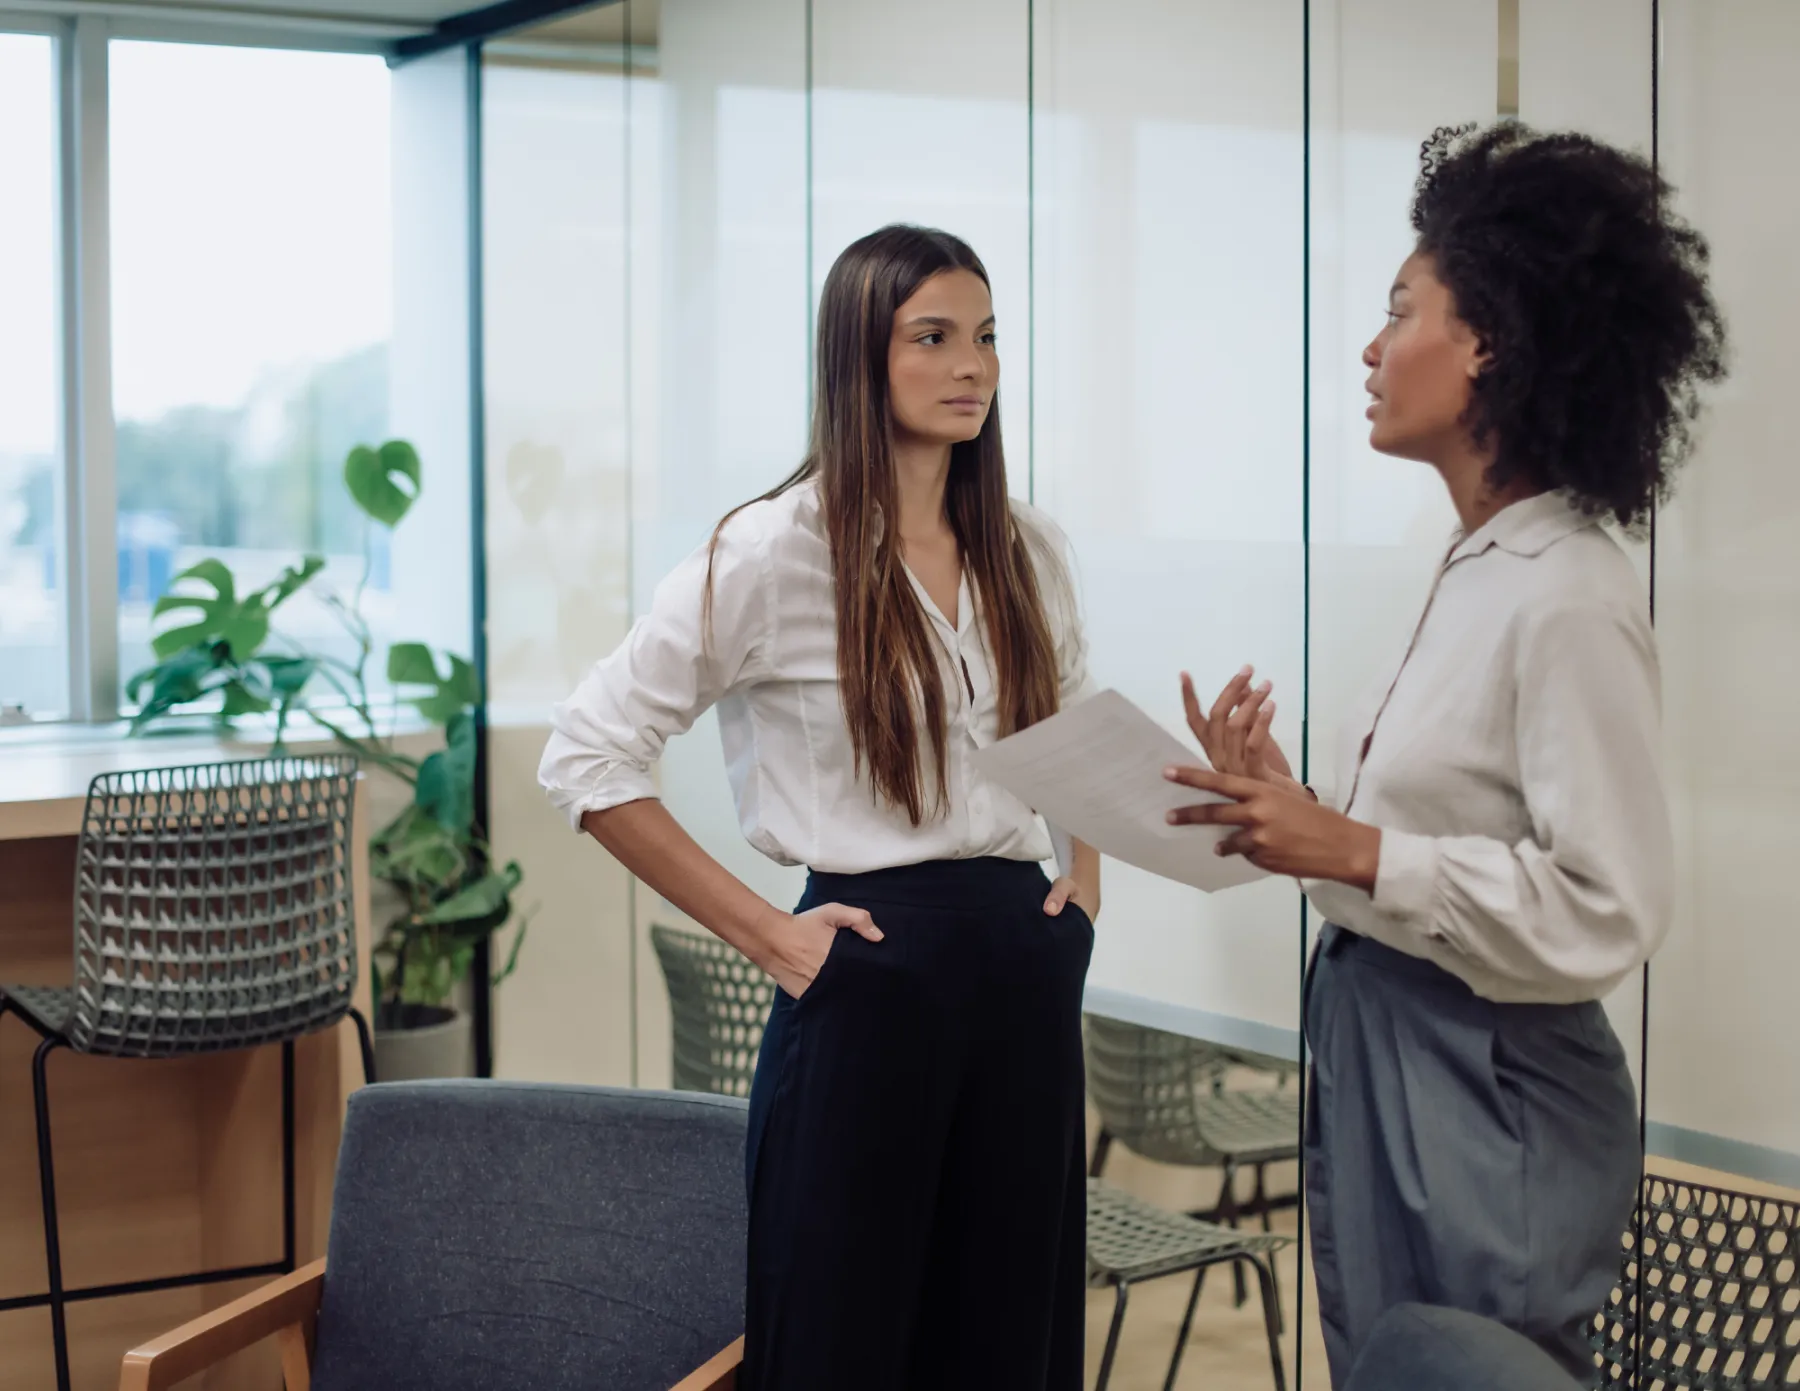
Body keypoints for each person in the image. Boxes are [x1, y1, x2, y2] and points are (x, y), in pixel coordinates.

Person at [1164, 123, 1727, 1383]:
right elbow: (1430, 855)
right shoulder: (1476, 570)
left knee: (1461, 1364)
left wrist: (1352, 843)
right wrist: (1290, 811)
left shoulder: (1567, 589)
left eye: (1399, 311)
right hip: (1388, 1039)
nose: (1369, 349)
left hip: (1491, 1083)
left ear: (1487, 345)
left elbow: (1608, 905)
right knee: (1392, 1362)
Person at [539, 223, 1101, 1391]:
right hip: (868, 979)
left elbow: (1069, 732)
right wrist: (772, 935)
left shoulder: (1028, 547)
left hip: (1024, 982)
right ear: (859, 355)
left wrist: (1083, 883)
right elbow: (589, 756)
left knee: (1009, 1343)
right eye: (934, 338)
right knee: (843, 1335)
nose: (973, 367)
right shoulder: (769, 551)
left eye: (988, 338)